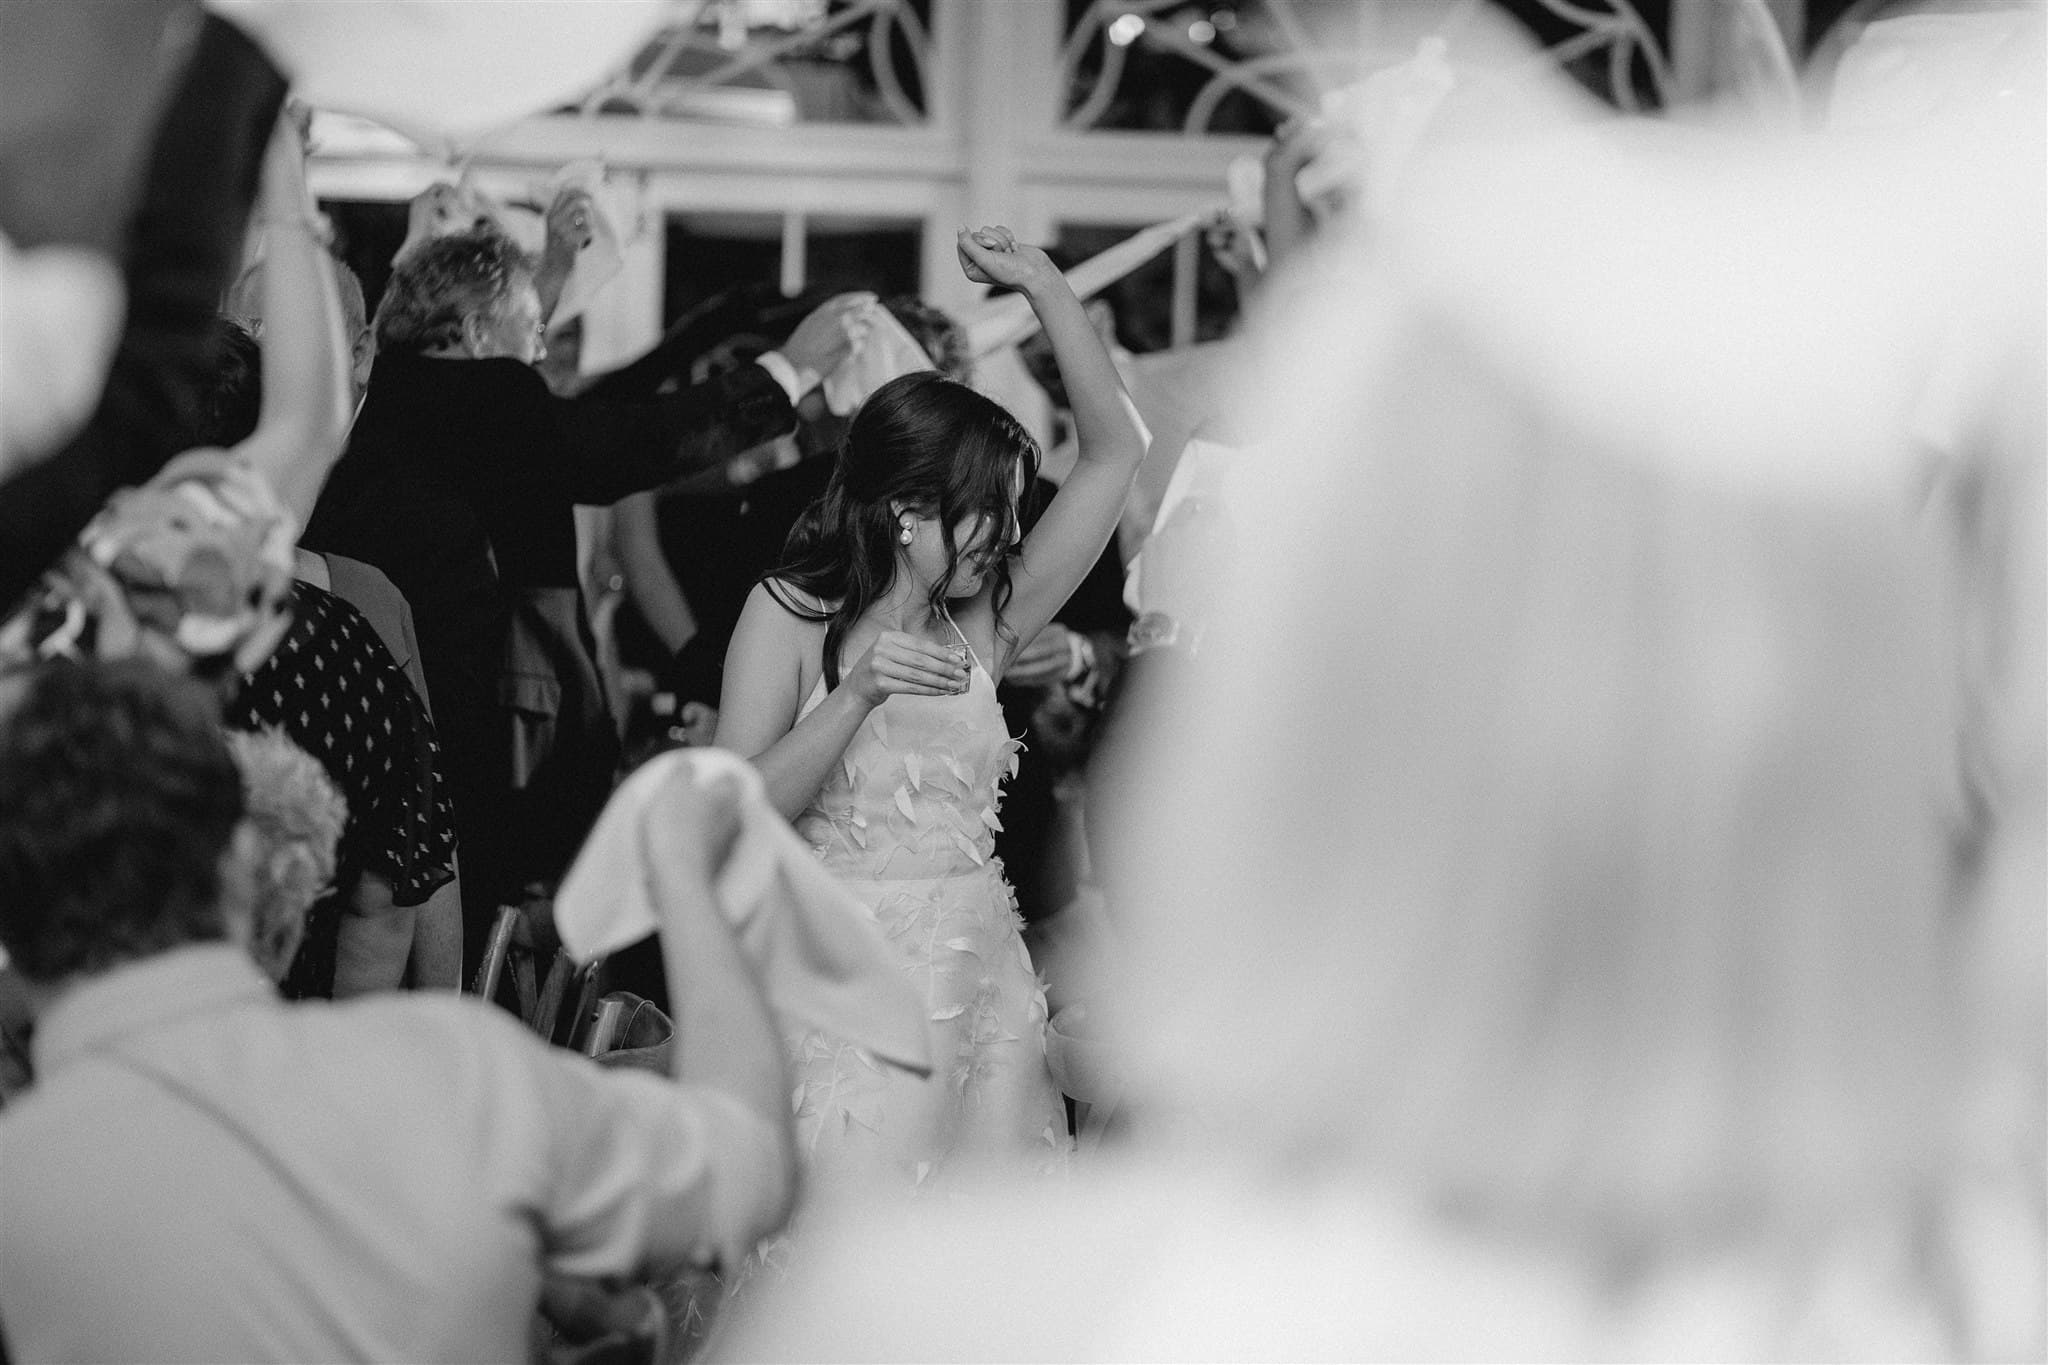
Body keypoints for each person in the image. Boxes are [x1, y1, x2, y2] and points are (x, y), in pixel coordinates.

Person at [0, 657, 796, 1362]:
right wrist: (684, 872)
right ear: (249, 864)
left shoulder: (21, 1190)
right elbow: (751, 1166)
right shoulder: (452, 1067)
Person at [302, 229, 870, 975]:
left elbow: (595, 410)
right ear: (476, 333)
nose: (541, 356)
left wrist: (555, 278)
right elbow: (625, 443)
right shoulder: (482, 396)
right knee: (458, 933)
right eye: (532, 330)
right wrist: (787, 372)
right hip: (466, 722)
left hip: (363, 701)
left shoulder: (394, 405)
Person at [714, 225, 1147, 1194]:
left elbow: (1117, 452)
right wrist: (858, 692)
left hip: (985, 992)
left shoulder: (987, 621)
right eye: (987, 506)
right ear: (909, 510)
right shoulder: (786, 615)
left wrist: (1042, 282)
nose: (1008, 528)